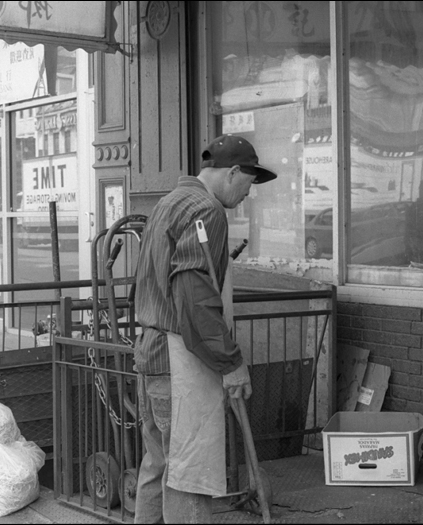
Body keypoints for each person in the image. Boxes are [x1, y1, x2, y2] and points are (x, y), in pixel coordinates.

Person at [133, 134, 277, 523]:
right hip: (180, 361)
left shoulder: (168, 203)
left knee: (159, 466)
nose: (249, 194)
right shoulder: (207, 212)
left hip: (151, 353)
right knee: (190, 476)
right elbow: (196, 303)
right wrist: (231, 363)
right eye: (249, 183)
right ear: (232, 172)